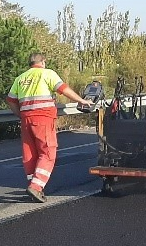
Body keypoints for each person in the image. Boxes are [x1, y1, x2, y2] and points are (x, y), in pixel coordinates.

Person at [6, 53, 93, 202]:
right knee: (47, 153)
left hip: (26, 119)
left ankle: (34, 185)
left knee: (30, 155)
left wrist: (20, 115)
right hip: (43, 118)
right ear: (43, 62)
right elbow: (63, 89)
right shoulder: (47, 74)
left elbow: (10, 100)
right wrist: (82, 101)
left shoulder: (20, 78)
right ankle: (36, 187)